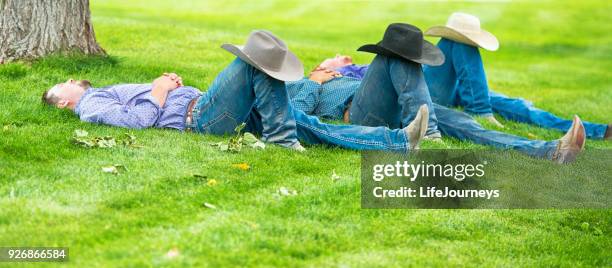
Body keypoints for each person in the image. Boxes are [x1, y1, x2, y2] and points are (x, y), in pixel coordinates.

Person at [41, 30, 431, 153]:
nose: (73, 80)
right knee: (251, 60)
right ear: (62, 101)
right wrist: (160, 88)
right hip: (203, 118)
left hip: (211, 108)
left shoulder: (104, 90)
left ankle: (398, 140)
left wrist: (172, 85)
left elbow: (152, 104)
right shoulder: (90, 105)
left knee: (310, 125)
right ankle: (281, 137)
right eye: (63, 84)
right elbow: (141, 120)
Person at [286, 24, 586, 163]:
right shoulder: (302, 82)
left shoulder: (353, 73)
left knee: (468, 126)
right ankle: (428, 134)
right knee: (394, 50)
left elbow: (394, 77)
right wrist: (314, 79)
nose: (341, 58)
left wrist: (341, 68)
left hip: (410, 107)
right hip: (363, 112)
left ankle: (550, 151)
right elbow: (296, 111)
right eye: (333, 59)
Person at [321, 12, 611, 140]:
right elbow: (378, 86)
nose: (343, 57)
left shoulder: (362, 66)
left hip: (437, 83)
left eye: (343, 56)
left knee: (517, 106)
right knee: (458, 43)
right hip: (417, 91)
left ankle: (598, 130)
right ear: (327, 67)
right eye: (337, 58)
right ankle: (481, 109)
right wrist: (335, 67)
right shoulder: (342, 76)